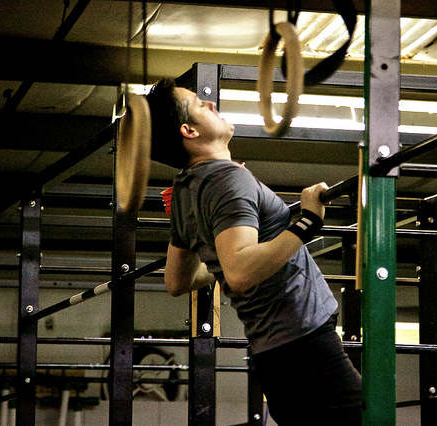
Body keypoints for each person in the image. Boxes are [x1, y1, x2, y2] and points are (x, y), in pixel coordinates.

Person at [146, 78, 362, 425]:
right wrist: (308, 222)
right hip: (304, 345)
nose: (211, 105)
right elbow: (240, 273)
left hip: (275, 353)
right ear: (188, 131)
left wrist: (229, 259)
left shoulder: (186, 189)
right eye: (201, 105)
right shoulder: (229, 180)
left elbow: (177, 279)